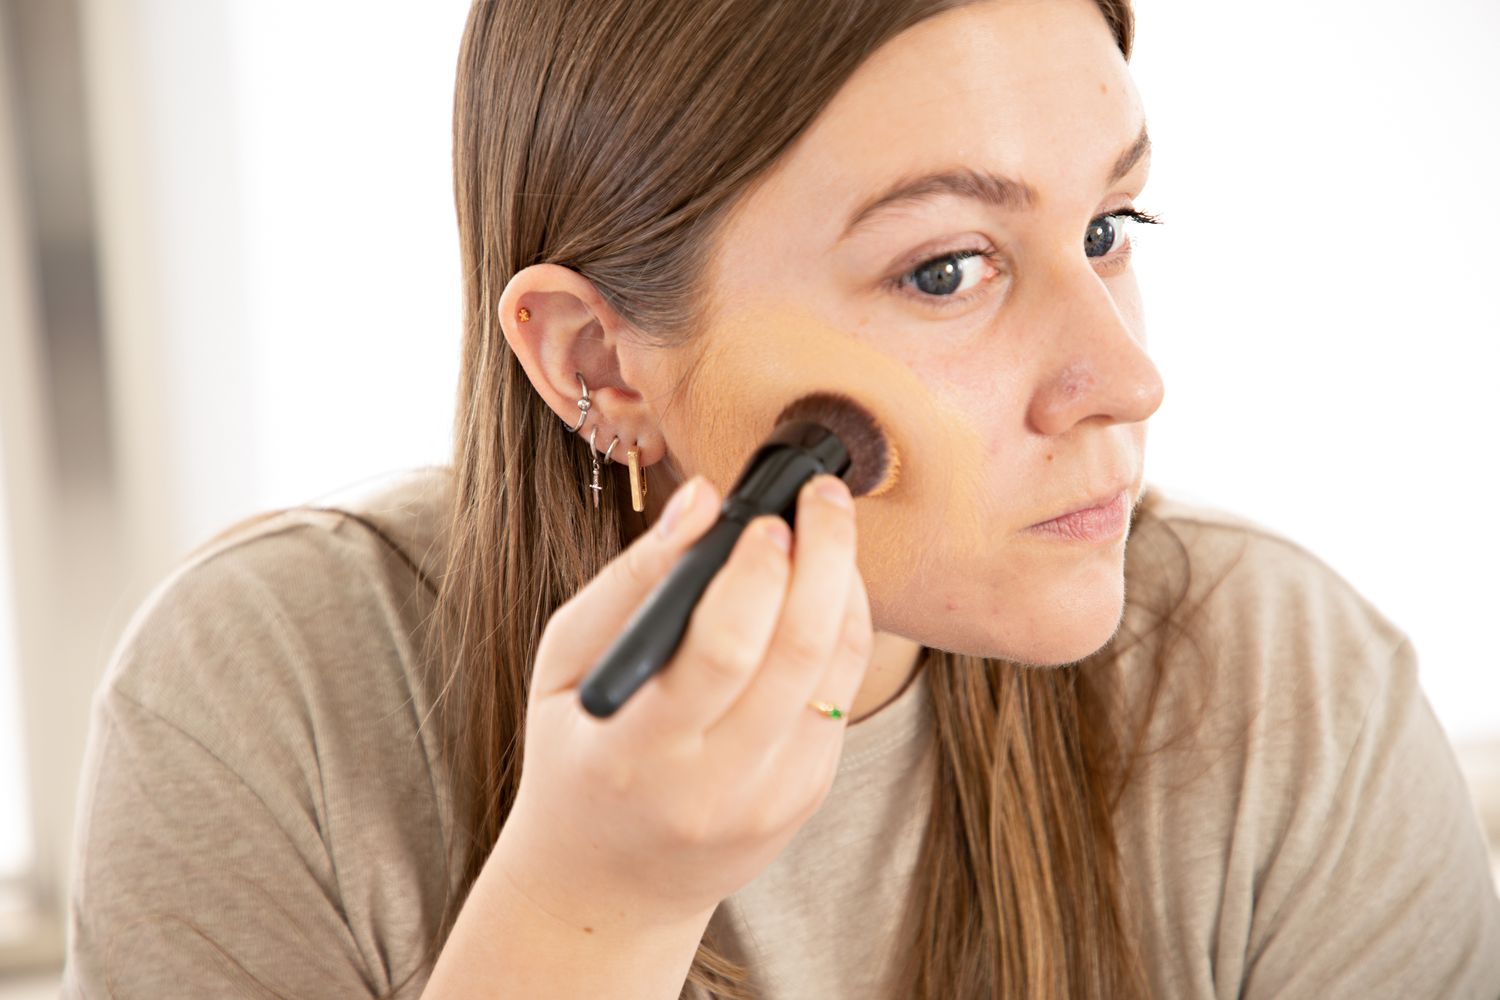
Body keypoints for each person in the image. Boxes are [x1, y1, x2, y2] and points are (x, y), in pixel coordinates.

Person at [62, 0, 1500, 997]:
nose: (1126, 380)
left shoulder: (1285, 688)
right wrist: (593, 903)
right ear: (599, 361)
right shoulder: (271, 699)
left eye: (1107, 229)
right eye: (946, 269)